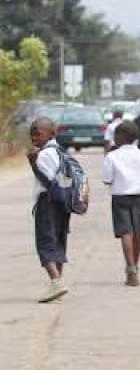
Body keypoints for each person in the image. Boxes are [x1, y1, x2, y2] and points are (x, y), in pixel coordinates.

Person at [101, 121, 140, 286]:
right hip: (139, 198)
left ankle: (130, 267)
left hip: (120, 198)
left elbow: (107, 180)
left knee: (125, 232)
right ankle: (135, 267)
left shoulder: (112, 157)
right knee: (137, 233)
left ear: (120, 137)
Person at [27, 117, 70, 303]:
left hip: (48, 201)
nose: (34, 137)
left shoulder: (44, 155)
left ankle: (55, 281)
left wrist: (33, 163)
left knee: (45, 243)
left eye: (38, 133)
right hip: (63, 202)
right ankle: (57, 283)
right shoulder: (61, 152)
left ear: (52, 133)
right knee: (58, 241)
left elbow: (48, 181)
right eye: (32, 134)